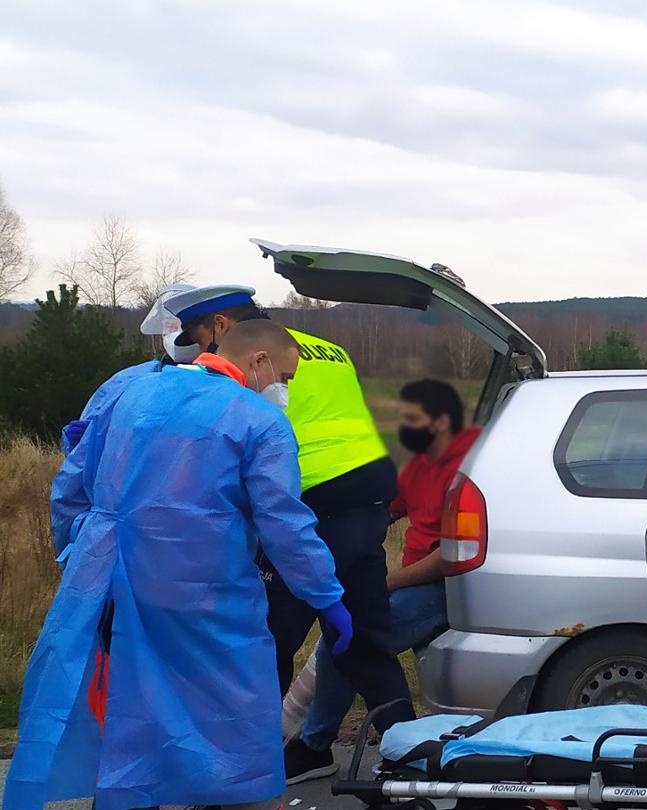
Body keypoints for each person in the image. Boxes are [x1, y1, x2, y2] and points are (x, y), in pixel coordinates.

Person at [4, 320, 352, 810]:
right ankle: (241, 798)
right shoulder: (259, 420)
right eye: (287, 377)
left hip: (112, 585)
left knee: (129, 706)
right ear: (259, 362)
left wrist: (80, 562)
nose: (284, 389)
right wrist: (327, 596)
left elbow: (71, 486)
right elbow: (285, 526)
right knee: (237, 715)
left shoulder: (129, 392)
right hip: (205, 592)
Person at [164, 284, 415, 780]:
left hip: (310, 509)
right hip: (370, 504)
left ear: (220, 326)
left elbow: (238, 440)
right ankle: (410, 758)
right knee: (367, 641)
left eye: (197, 336)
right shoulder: (329, 349)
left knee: (265, 643)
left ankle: (243, 770)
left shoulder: (248, 363)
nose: (199, 350)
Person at [286, 379, 478, 781]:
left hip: (449, 587)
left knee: (353, 640)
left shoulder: (467, 470)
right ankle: (387, 746)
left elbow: (450, 557)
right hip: (413, 582)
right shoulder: (423, 464)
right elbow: (383, 508)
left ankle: (317, 746)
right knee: (349, 639)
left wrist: (388, 582)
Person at [60, 282, 202, 449]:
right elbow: (94, 438)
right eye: (170, 326)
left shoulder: (226, 382)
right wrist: (81, 443)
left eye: (183, 327)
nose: (176, 334)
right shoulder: (128, 380)